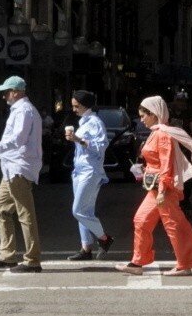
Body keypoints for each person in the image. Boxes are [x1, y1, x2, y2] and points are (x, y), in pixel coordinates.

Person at [116, 95, 192, 276]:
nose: (141, 119)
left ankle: (183, 264)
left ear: (154, 114)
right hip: (156, 188)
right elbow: (159, 162)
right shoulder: (158, 132)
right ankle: (138, 262)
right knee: (142, 221)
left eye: (143, 115)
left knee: (173, 225)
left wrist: (163, 190)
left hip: (163, 189)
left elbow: (166, 165)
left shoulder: (162, 134)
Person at [0, 75, 44, 273]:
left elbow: (18, 140)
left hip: (19, 167)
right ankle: (8, 255)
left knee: (25, 213)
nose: (4, 96)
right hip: (12, 168)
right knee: (1, 208)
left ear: (15, 92)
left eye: (6, 92)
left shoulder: (24, 111)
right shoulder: (20, 110)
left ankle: (32, 259)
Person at [67, 90, 114, 260]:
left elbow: (102, 145)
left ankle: (104, 238)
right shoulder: (84, 122)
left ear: (85, 105)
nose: (73, 109)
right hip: (79, 170)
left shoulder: (95, 122)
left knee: (78, 210)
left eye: (76, 106)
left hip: (90, 171)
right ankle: (86, 248)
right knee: (85, 211)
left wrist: (78, 140)